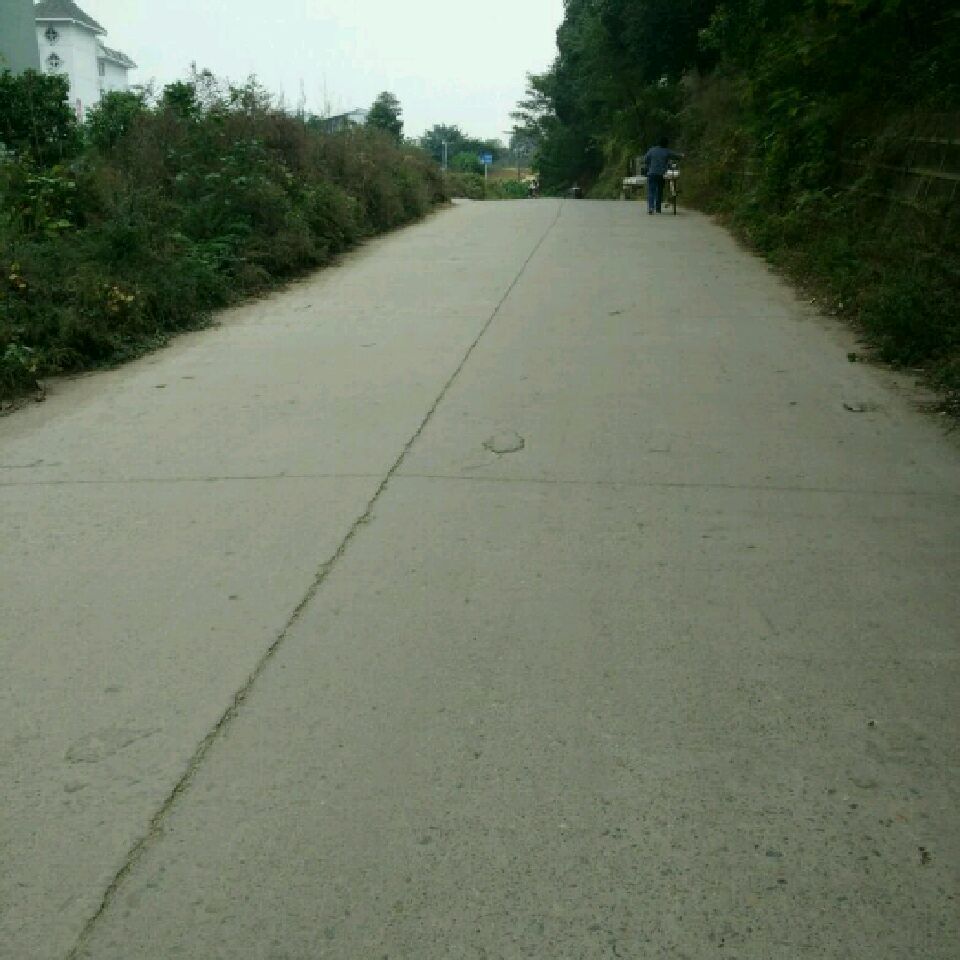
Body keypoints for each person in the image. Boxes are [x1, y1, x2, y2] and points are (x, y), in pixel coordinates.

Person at [643, 137, 684, 215]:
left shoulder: (652, 150)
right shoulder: (666, 151)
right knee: (659, 190)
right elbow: (676, 156)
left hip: (652, 173)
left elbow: (645, 159)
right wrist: (682, 155)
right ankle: (658, 208)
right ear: (666, 144)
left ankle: (651, 207)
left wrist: (650, 165)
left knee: (651, 191)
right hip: (661, 174)